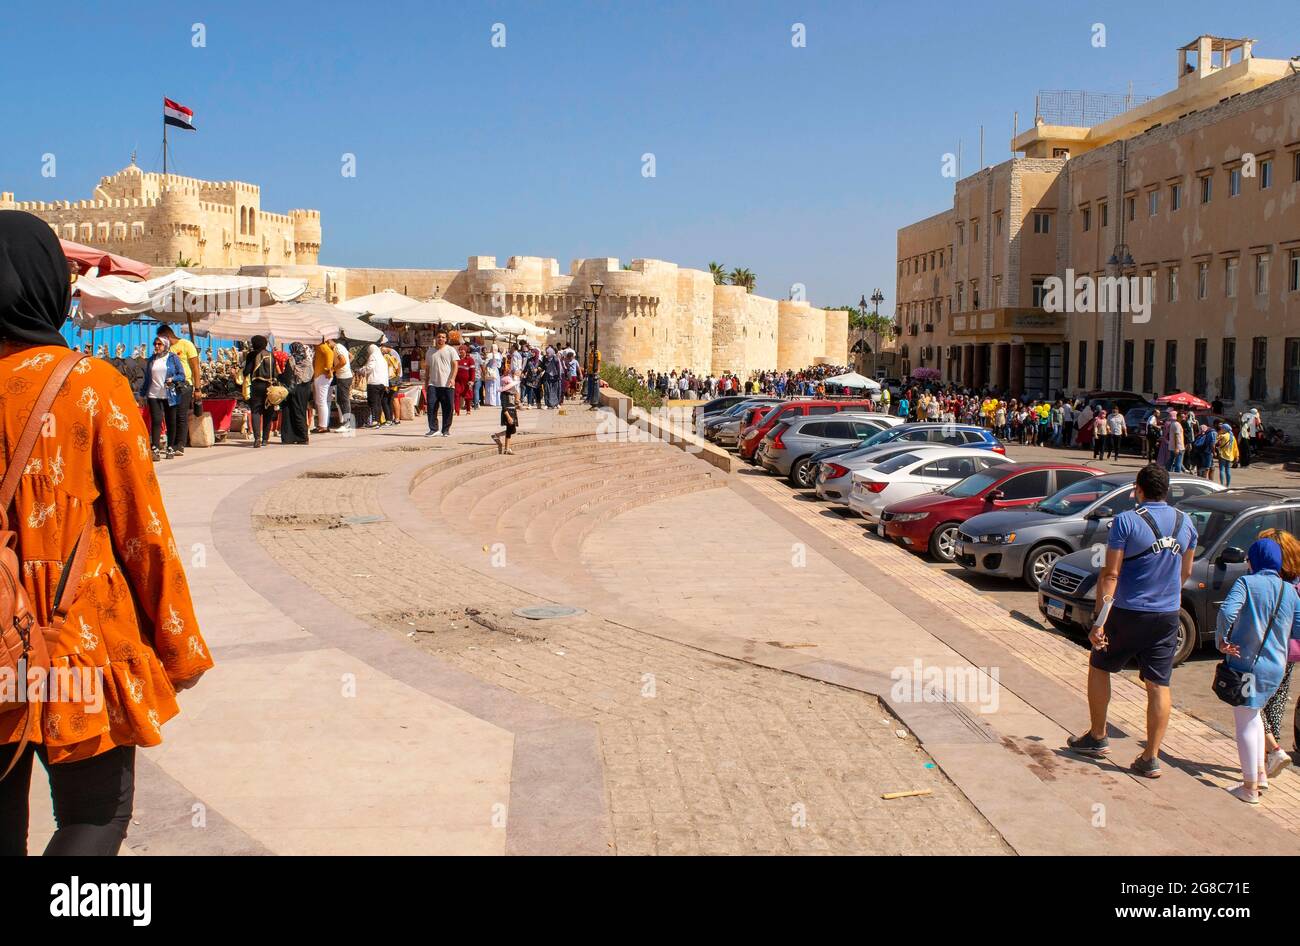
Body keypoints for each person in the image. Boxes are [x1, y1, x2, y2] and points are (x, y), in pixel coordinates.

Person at [0, 209, 212, 855]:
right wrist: (178, 647)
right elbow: (142, 529)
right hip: (78, 645)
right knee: (94, 817)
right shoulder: (91, 386)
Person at [1067, 464, 1197, 779]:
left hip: (1127, 611)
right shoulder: (1186, 523)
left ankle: (1098, 736)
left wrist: (1099, 619)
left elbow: (1110, 573)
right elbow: (1186, 573)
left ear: (1138, 489)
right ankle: (1150, 757)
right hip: (1167, 615)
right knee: (1158, 684)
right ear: (1166, 491)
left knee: (1100, 666)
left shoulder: (1126, 521)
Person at [1214, 538, 1300, 804]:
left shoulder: (1246, 583)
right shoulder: (1289, 590)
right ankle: (1260, 774)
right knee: (1255, 716)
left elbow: (1227, 612)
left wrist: (1222, 641)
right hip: (1277, 666)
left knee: (1246, 722)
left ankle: (1249, 788)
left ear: (1253, 560)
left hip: (1247, 664)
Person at [1254, 528, 1299, 779]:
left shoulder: (1272, 584)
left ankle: (1273, 750)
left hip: (1267, 651)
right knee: (1276, 705)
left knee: (1251, 703)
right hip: (1290, 653)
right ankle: (1268, 759)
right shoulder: (1296, 582)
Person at [139, 335, 185, 460]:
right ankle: (155, 448)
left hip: (169, 394)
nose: (157, 346)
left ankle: (170, 447)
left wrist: (173, 379)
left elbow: (182, 375)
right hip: (153, 395)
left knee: (171, 421)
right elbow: (147, 379)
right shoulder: (151, 360)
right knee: (156, 421)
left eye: (159, 344)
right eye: (155, 344)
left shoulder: (173, 358)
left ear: (166, 345)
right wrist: (142, 395)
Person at [155, 325, 199, 457]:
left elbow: (195, 367)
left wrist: (198, 388)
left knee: (181, 415)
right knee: (170, 416)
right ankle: (171, 443)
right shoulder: (164, 348)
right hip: (168, 387)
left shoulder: (186, 345)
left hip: (184, 386)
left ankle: (180, 444)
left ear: (168, 335)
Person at [240, 334, 276, 448]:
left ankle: (257, 439)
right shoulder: (270, 355)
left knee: (256, 411)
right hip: (270, 386)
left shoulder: (252, 355)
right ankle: (265, 439)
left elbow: (247, 371)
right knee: (268, 412)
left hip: (256, 385)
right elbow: (275, 373)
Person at [424, 330, 458, 437]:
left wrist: (452, 378)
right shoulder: (430, 351)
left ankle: (446, 429)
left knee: (448, 407)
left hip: (447, 384)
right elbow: (427, 368)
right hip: (433, 384)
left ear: (446, 339)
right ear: (435, 338)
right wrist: (426, 382)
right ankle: (433, 429)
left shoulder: (450, 350)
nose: (441, 339)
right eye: (439, 337)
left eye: (443, 337)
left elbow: (455, 365)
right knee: (431, 406)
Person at [280, 341, 314, 444]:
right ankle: (300, 437)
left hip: (295, 389)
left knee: (292, 412)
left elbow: (288, 376)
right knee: (300, 411)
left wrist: (279, 376)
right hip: (305, 389)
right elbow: (310, 376)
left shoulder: (292, 360)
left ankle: (300, 437)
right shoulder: (307, 361)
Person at [492, 371, 521, 455]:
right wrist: (508, 417)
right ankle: (507, 448)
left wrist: (517, 402)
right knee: (509, 430)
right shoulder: (504, 395)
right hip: (508, 413)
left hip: (513, 411)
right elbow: (504, 407)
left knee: (513, 430)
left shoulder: (512, 393)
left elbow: (516, 399)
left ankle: (497, 435)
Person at [361, 343, 389, 428]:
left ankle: (374, 421)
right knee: (378, 403)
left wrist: (362, 370)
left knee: (373, 403)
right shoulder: (382, 358)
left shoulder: (373, 356)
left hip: (374, 382)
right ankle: (378, 421)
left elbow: (370, 367)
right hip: (382, 383)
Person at [311, 337, 335, 434]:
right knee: (321, 401)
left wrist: (328, 369)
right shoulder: (321, 346)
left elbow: (329, 354)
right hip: (321, 375)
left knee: (321, 401)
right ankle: (322, 425)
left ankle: (323, 426)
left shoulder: (321, 346)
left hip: (322, 375)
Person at [330, 338, 353, 430]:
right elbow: (351, 356)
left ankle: (347, 423)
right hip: (345, 375)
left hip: (344, 377)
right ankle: (346, 422)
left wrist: (333, 369)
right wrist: (346, 366)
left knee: (344, 400)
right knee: (341, 400)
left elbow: (343, 361)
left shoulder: (337, 348)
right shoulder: (341, 347)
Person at [1215, 422, 1238, 487]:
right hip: (1230, 456)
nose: (1221, 429)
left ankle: (1222, 484)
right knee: (1228, 470)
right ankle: (1228, 485)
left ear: (1225, 429)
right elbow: (1235, 448)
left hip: (1222, 455)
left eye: (1222, 428)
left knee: (1221, 470)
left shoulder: (1222, 436)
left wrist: (1219, 433)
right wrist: (1236, 456)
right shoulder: (1232, 437)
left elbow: (1214, 442)